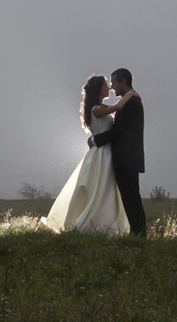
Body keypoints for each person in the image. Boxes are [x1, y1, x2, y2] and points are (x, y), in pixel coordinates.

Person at [41, 75, 136, 234]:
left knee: (104, 189)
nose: (109, 88)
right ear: (99, 89)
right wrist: (131, 94)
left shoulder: (100, 107)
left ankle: (105, 221)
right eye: (106, 85)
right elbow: (119, 107)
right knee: (101, 187)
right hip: (102, 153)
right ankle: (93, 222)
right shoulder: (96, 109)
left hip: (104, 151)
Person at [89, 68, 146, 236]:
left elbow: (118, 132)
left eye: (114, 82)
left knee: (131, 199)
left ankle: (140, 234)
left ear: (123, 82)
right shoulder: (128, 102)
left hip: (127, 159)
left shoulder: (132, 104)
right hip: (124, 159)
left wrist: (95, 140)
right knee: (128, 199)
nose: (112, 87)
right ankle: (137, 232)